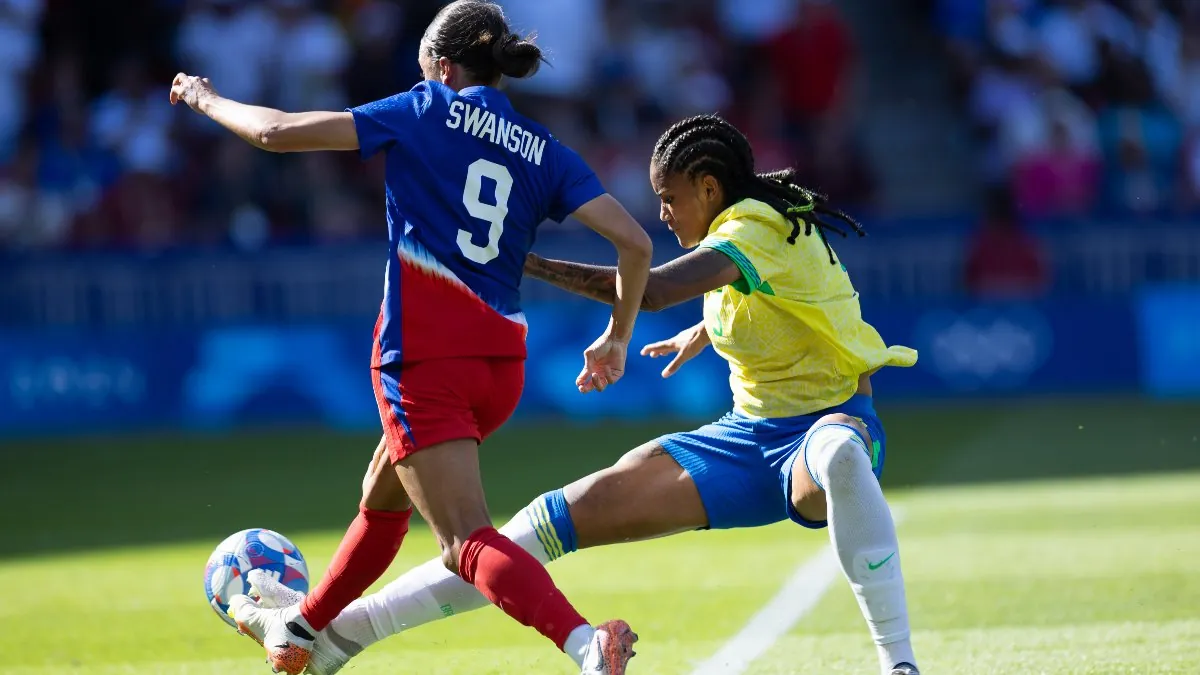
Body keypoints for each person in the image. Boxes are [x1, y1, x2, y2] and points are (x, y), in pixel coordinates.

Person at [249, 114, 923, 675]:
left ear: (710, 186)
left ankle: (899, 664)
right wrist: (706, 333)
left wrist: (528, 261)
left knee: (838, 453)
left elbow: (651, 289)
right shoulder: (742, 235)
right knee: (544, 521)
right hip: (742, 440)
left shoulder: (756, 228)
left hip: (825, 426)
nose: (660, 212)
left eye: (669, 197)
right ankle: (344, 637)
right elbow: (790, 303)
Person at [169, 2, 653, 674]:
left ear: (442, 64)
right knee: (384, 489)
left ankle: (583, 643)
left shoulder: (426, 107)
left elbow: (276, 131)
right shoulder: (543, 147)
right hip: (498, 369)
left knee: (464, 540)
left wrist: (205, 97)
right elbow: (635, 242)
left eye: (424, 56)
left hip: (425, 357)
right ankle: (302, 632)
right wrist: (616, 337)